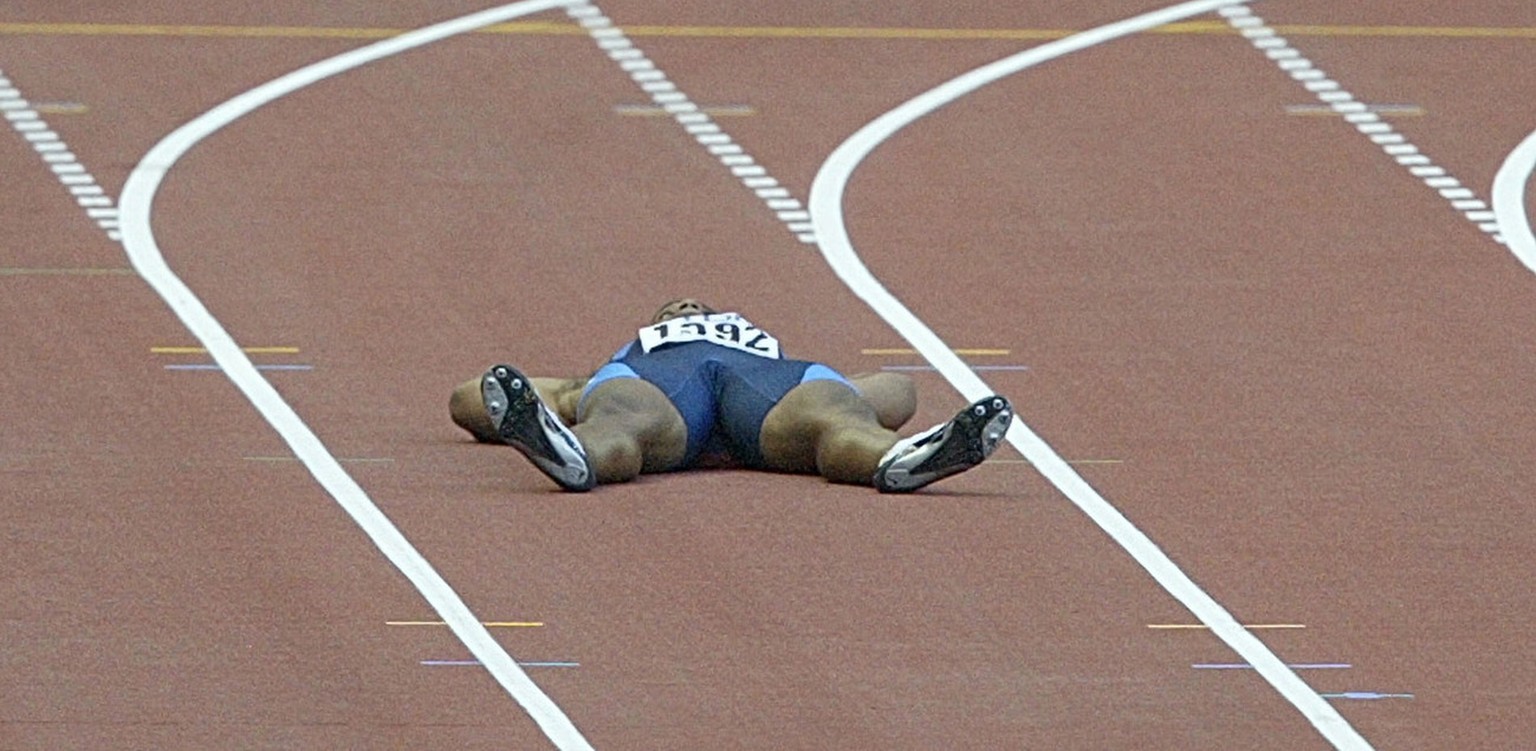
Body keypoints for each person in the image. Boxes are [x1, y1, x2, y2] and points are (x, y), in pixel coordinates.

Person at [449, 298, 1013, 493]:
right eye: (671, 310)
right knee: (618, 418)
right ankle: (572, 455)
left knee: (837, 415)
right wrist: (517, 401)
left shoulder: (761, 348)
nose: (684, 310)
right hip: (665, 392)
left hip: (770, 390)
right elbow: (470, 399)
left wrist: (848, 395)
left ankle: (896, 461)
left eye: (695, 306)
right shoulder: (635, 356)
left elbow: (899, 391)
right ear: (656, 323)